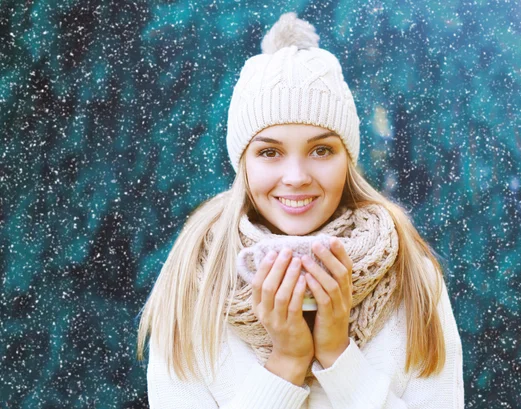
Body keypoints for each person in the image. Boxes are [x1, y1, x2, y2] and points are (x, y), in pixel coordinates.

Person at [136, 12, 465, 409]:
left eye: (321, 150)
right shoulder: (195, 283)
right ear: (243, 162)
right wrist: (287, 362)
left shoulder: (412, 277)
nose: (295, 176)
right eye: (270, 152)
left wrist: (338, 356)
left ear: (347, 159)